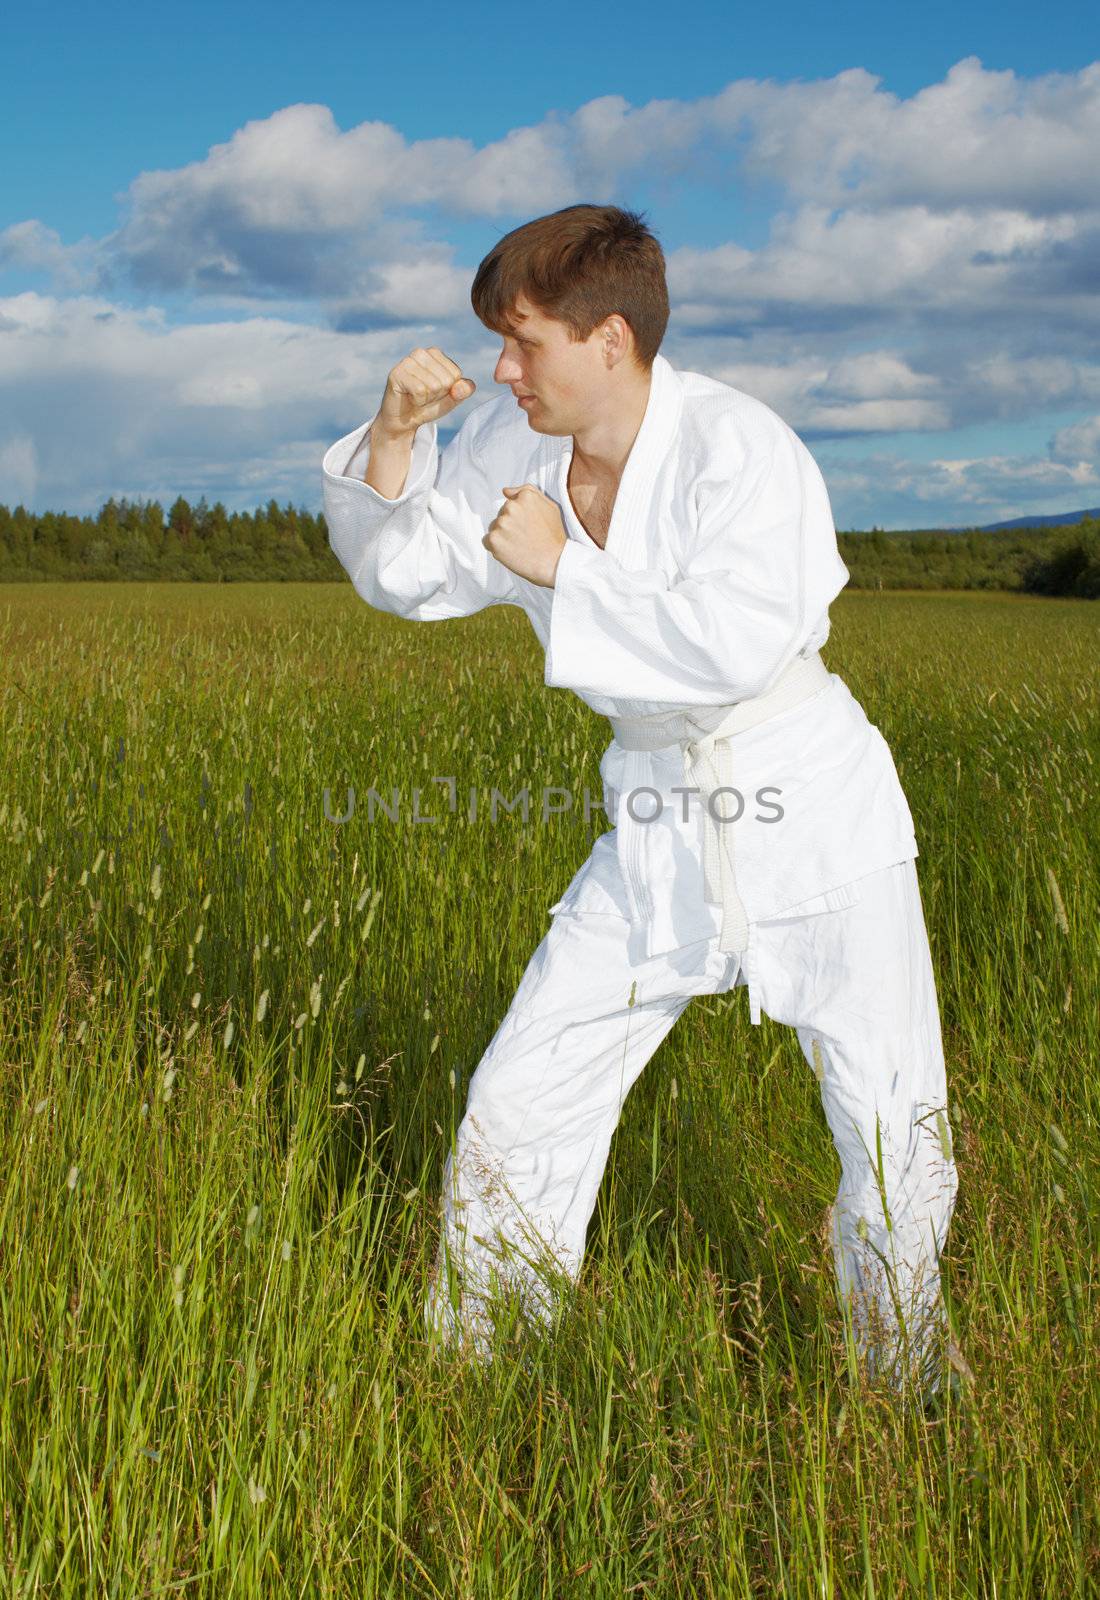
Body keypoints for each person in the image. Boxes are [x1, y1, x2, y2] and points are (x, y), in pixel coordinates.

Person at [321, 204, 960, 1396]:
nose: (502, 370)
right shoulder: (515, 453)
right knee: (525, 1089)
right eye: (497, 345)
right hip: (656, 817)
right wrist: (394, 439)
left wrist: (565, 568)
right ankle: (485, 1369)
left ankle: (904, 1382)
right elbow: (408, 576)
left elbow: (731, 645)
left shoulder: (739, 447)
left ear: (607, 337)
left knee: (887, 1124)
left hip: (805, 802)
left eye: (524, 344)